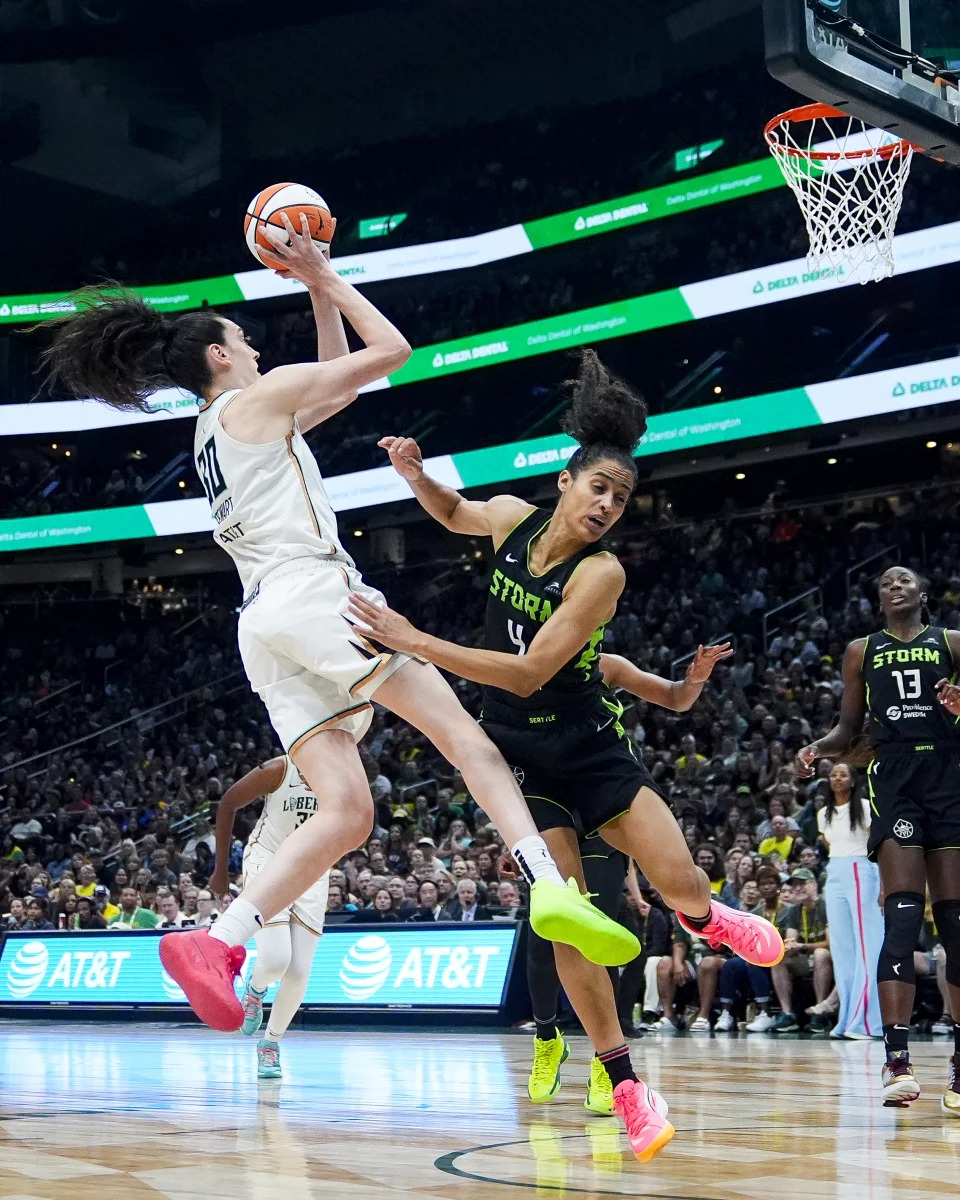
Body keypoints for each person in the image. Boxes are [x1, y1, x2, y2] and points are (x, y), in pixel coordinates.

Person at [40, 216, 633, 1032]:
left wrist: (318, 289)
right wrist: (323, 274)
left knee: (348, 812)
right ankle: (551, 889)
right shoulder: (256, 396)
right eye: (242, 340)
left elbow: (337, 384)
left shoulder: (219, 427)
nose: (252, 347)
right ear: (218, 356)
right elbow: (391, 351)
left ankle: (218, 941)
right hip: (317, 596)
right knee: (467, 738)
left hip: (262, 627)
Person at [352, 350, 783, 1160]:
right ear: (566, 482)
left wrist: (416, 640)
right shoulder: (512, 517)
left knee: (680, 880)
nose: (610, 505)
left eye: (621, 498)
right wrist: (416, 475)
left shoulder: (602, 574)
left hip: (590, 746)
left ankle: (706, 918)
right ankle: (625, 1084)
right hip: (521, 760)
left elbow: (528, 670)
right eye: (599, 488)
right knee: (570, 918)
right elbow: (454, 514)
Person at [798, 566, 960, 1112]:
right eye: (886, 582)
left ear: (922, 593)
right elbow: (848, 730)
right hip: (894, 779)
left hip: (949, 776)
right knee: (904, 915)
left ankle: (959, 1068)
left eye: (905, 580)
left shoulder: (953, 643)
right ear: (879, 599)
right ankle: (897, 1061)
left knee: (956, 925)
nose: (894, 586)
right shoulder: (860, 650)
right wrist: (817, 749)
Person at [210, 756, 330, 1080]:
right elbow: (227, 804)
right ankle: (255, 988)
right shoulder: (280, 769)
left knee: (298, 971)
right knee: (276, 959)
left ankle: (270, 1044)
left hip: (314, 868)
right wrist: (220, 870)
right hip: (269, 861)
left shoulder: (340, 774)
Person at [816, 761, 883, 1039]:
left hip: (861, 869)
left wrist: (882, 884)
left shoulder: (866, 807)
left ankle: (868, 1023)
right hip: (835, 873)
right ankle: (846, 1020)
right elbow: (830, 845)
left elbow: (878, 846)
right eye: (833, 775)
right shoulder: (823, 813)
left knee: (868, 948)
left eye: (843, 774)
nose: (837, 778)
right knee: (842, 950)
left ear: (853, 780)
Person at [770, 868, 833, 1034]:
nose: (797, 888)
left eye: (802, 883)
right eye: (794, 885)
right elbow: (792, 939)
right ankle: (787, 1014)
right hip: (805, 959)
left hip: (830, 958)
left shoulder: (826, 906)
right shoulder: (794, 910)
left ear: (814, 885)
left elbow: (829, 943)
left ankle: (820, 1013)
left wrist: (803, 946)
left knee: (821, 954)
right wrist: (787, 947)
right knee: (778, 958)